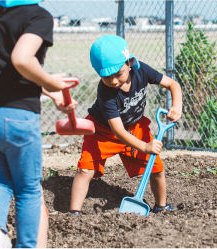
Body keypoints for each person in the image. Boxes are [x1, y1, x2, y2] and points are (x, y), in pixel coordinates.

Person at [0, 0, 75, 247]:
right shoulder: (39, 16)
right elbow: (21, 59)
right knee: (27, 190)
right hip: (16, 115)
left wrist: (47, 89)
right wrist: (51, 83)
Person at [69, 35, 183, 215]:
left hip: (135, 128)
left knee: (156, 168)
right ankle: (74, 213)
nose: (113, 81)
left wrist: (177, 106)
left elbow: (172, 84)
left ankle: (161, 206)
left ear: (129, 62)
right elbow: (117, 130)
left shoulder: (142, 71)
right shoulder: (105, 92)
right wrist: (144, 146)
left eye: (118, 74)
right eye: (106, 77)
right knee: (85, 169)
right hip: (102, 132)